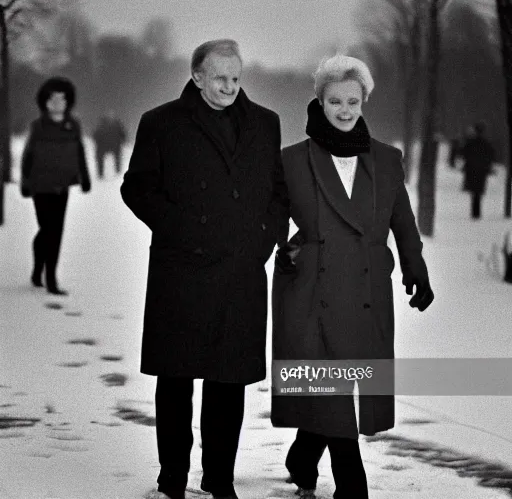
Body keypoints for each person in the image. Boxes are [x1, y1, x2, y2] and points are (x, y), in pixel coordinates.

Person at [120, 39, 288, 499]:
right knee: (176, 380)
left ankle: (220, 479)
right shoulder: (161, 123)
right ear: (196, 76)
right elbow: (137, 188)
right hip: (182, 273)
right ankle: (172, 476)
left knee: (228, 382)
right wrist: (182, 228)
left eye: (236, 77)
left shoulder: (265, 123)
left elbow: (278, 191)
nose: (230, 86)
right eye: (220, 78)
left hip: (241, 271)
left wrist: (264, 238)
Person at [271, 55, 434, 499]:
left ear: (364, 102)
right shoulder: (292, 160)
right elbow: (271, 220)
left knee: (339, 383)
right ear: (319, 102)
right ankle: (351, 484)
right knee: (333, 385)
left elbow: (402, 219)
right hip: (312, 288)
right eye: (335, 101)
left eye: (354, 101)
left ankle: (303, 455)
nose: (345, 110)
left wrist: (415, 265)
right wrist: (281, 249)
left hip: (366, 288)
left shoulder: (385, 159)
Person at [20, 76, 91, 296]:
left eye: (62, 99)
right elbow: (28, 156)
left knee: (55, 230)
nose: (57, 103)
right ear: (45, 102)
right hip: (41, 186)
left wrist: (84, 176)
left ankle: (50, 277)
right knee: (47, 229)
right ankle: (38, 268)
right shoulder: (38, 126)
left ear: (68, 101)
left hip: (62, 186)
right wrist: (25, 181)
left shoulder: (73, 126)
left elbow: (79, 152)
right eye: (53, 99)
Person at [460, 121, 495, 219]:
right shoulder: (486, 144)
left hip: (472, 170)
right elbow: (491, 156)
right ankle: (476, 213)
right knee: (478, 192)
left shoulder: (470, 142)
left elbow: (464, 154)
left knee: (474, 192)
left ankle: (475, 213)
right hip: (481, 170)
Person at [92, 109, 127, 178]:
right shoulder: (116, 123)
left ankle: (101, 174)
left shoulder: (103, 124)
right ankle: (116, 172)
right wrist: (122, 141)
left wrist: (97, 142)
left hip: (107, 145)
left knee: (101, 157)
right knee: (116, 157)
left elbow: (95, 135)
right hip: (111, 145)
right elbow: (123, 134)